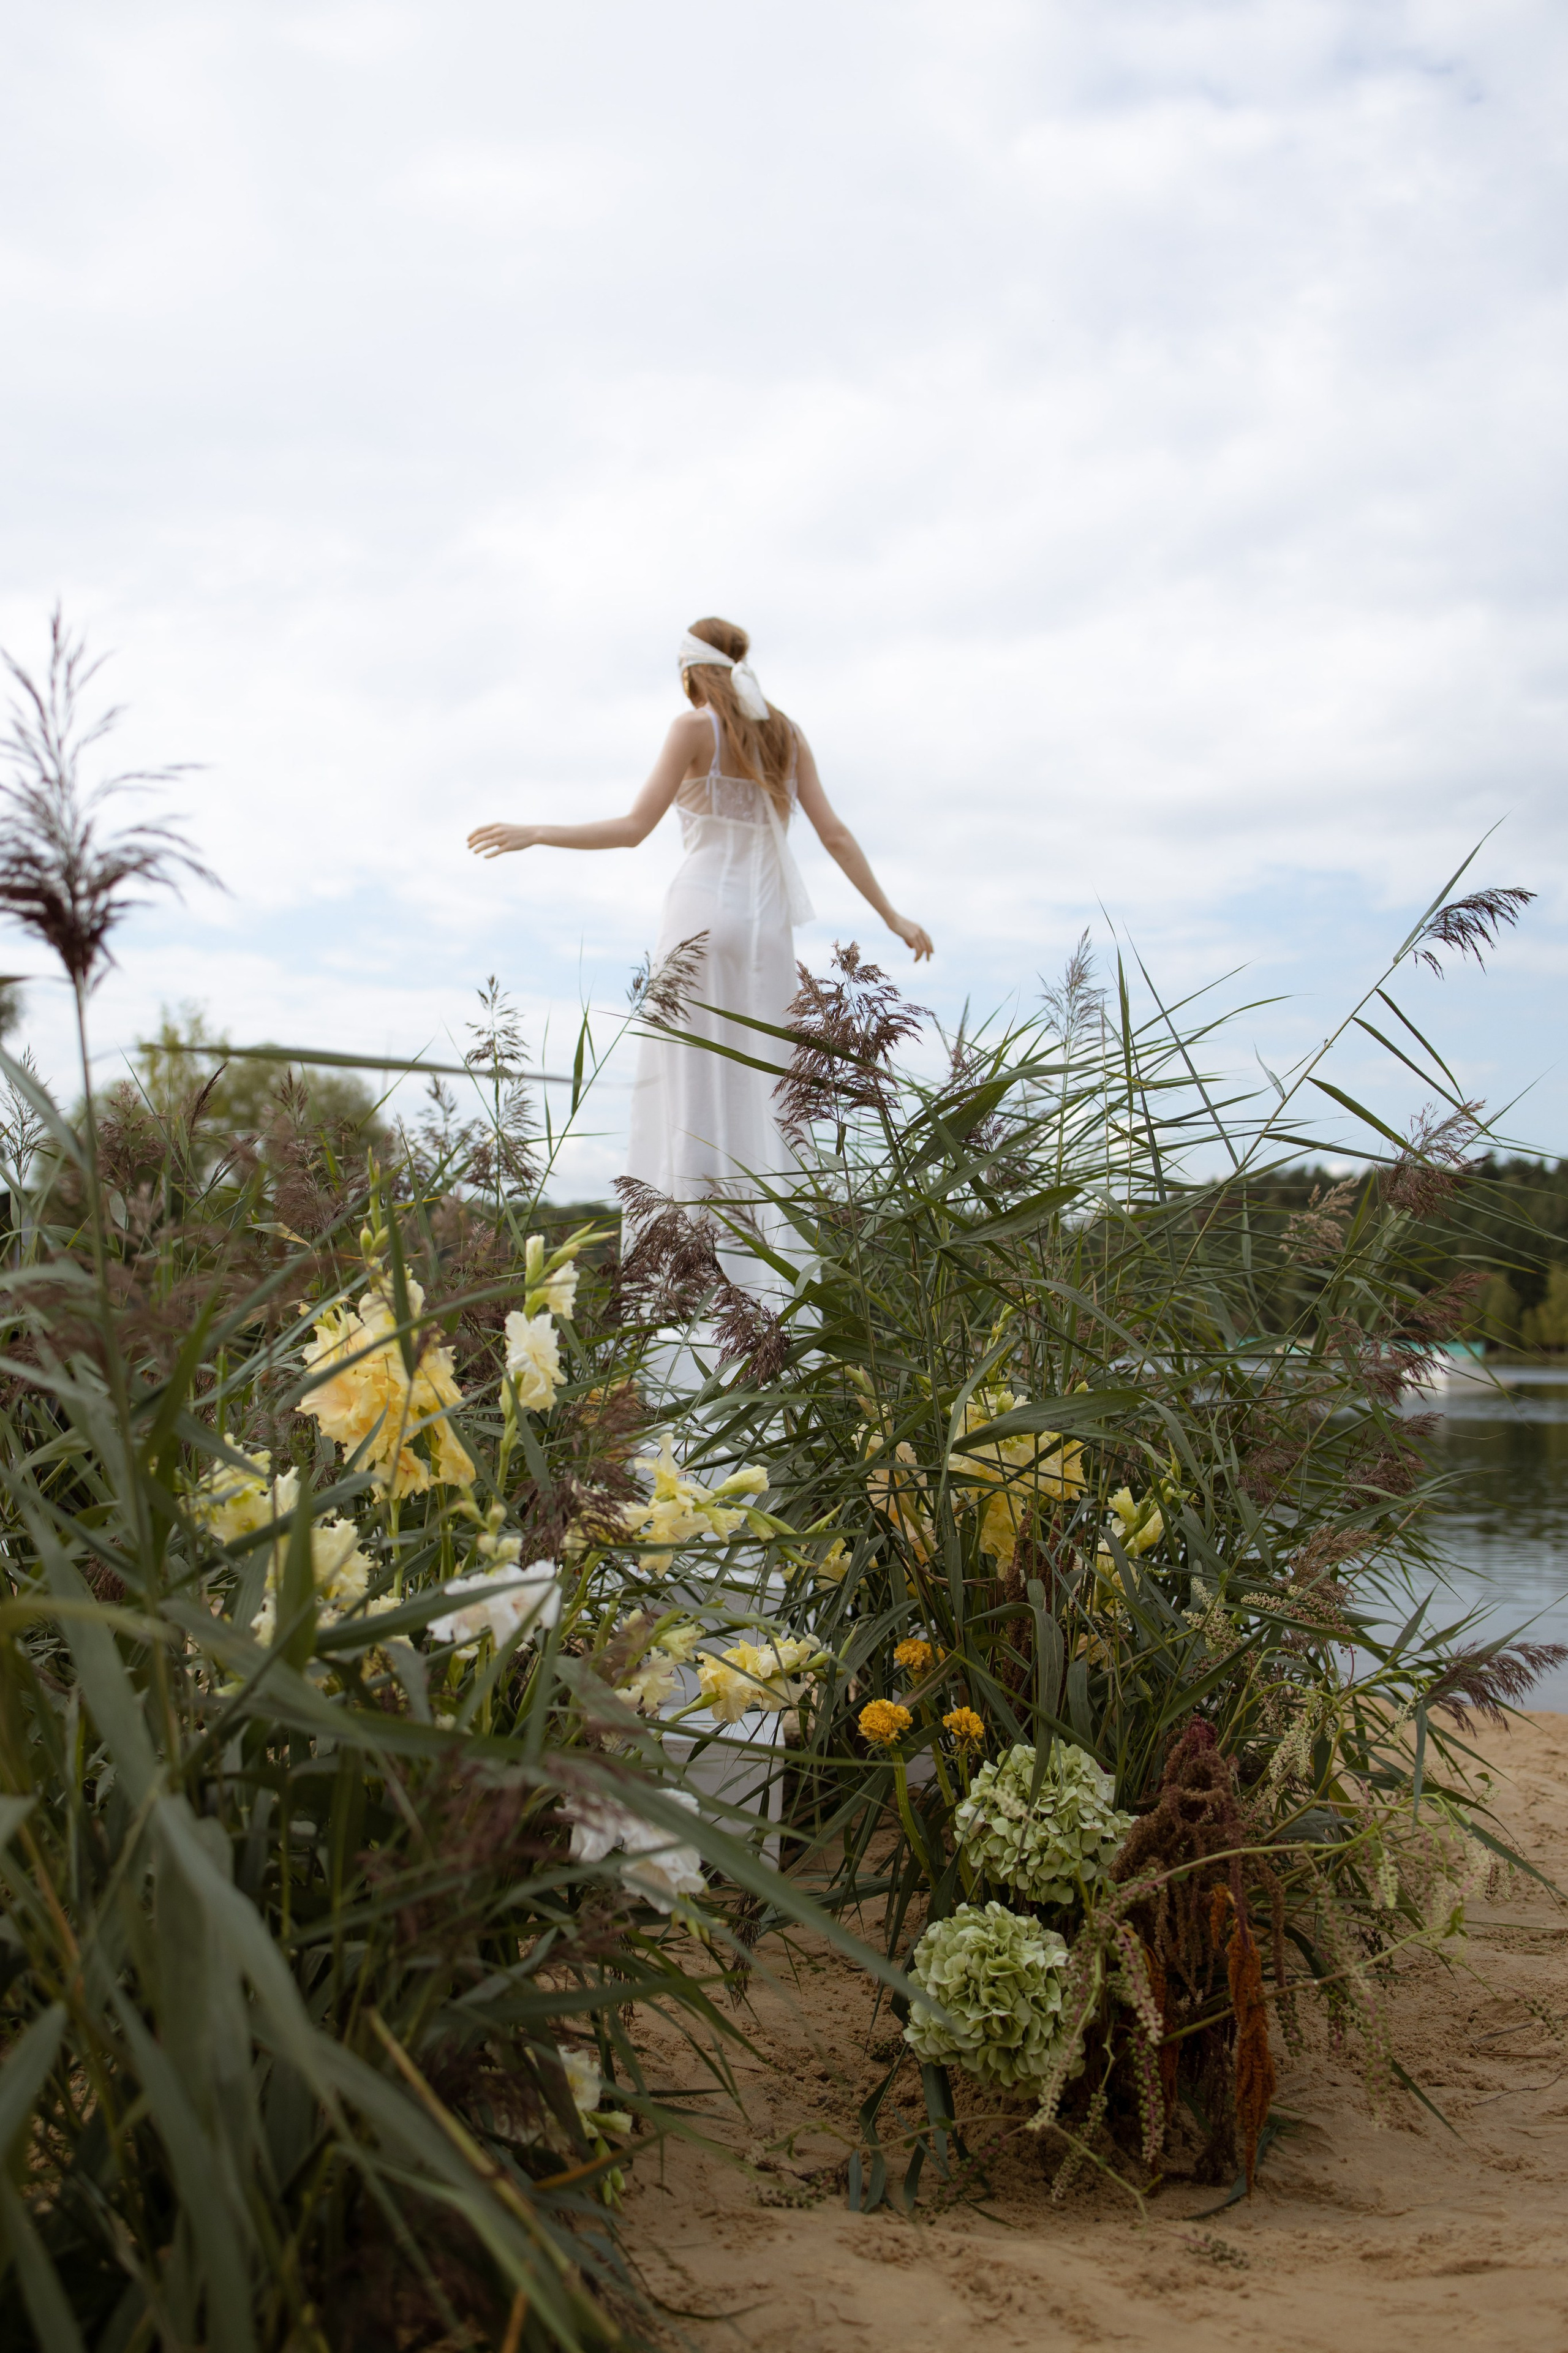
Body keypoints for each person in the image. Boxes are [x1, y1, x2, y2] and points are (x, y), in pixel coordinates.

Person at [468, 617, 932, 1288]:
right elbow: (833, 834)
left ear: (689, 672)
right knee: (770, 1089)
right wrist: (892, 915)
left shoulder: (692, 729)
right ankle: (772, 1291)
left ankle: (687, 1285)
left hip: (700, 917)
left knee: (687, 1087)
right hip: (769, 929)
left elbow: (633, 829)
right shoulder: (787, 734)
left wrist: (536, 831)